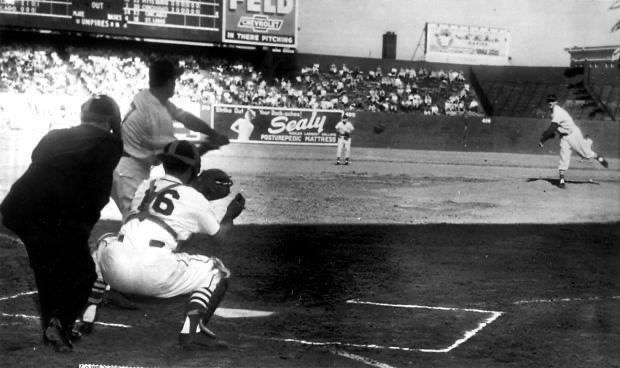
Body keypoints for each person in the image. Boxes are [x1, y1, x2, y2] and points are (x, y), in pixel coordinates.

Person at [76, 140, 245, 350]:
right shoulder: (194, 197)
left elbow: (171, 200)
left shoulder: (145, 185)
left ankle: (87, 316)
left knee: (105, 242)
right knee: (217, 271)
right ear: (194, 169)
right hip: (155, 274)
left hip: (115, 272)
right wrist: (231, 214)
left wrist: (196, 188)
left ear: (165, 164)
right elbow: (220, 238)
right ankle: (193, 331)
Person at [0, 95, 123, 353]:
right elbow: (97, 190)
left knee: (46, 270)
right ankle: (61, 325)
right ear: (110, 119)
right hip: (59, 213)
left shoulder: (55, 134)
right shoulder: (109, 142)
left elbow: (38, 157)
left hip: (20, 207)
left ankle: (54, 329)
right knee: (85, 274)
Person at [112, 59, 230, 221]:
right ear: (169, 82)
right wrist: (208, 145)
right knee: (137, 222)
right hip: (130, 172)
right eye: (174, 80)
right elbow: (176, 158)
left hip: (124, 167)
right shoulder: (157, 114)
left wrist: (211, 132)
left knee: (141, 220)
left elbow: (185, 118)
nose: (175, 84)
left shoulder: (147, 97)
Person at [538, 94, 608, 188]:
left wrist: (543, 139)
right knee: (564, 156)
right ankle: (562, 180)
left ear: (556, 102)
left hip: (573, 134)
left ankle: (599, 157)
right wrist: (547, 137)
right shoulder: (552, 112)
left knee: (586, 155)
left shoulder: (558, 112)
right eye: (549, 100)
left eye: (552, 100)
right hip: (564, 137)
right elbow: (554, 130)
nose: (550, 102)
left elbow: (552, 128)